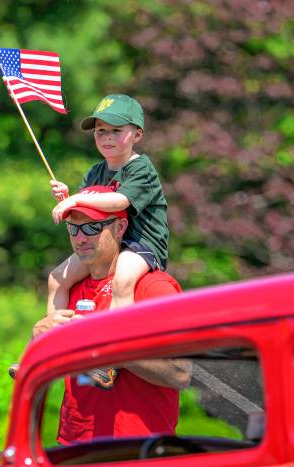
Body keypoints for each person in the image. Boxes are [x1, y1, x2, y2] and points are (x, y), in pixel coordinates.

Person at [32, 194, 191, 444]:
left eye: (93, 227)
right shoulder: (69, 287)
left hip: (137, 452)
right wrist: (40, 339)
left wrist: (111, 349)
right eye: (73, 229)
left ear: (120, 227)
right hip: (75, 446)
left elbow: (180, 373)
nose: (81, 238)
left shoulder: (153, 287)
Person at [48, 94, 169, 313]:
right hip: (105, 242)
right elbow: (87, 212)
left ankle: (114, 336)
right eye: (100, 131)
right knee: (56, 278)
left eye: (116, 130)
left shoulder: (142, 169)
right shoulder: (95, 171)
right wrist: (68, 199)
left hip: (140, 245)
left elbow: (120, 201)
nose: (107, 137)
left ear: (137, 135)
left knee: (121, 281)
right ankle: (54, 333)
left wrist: (77, 198)